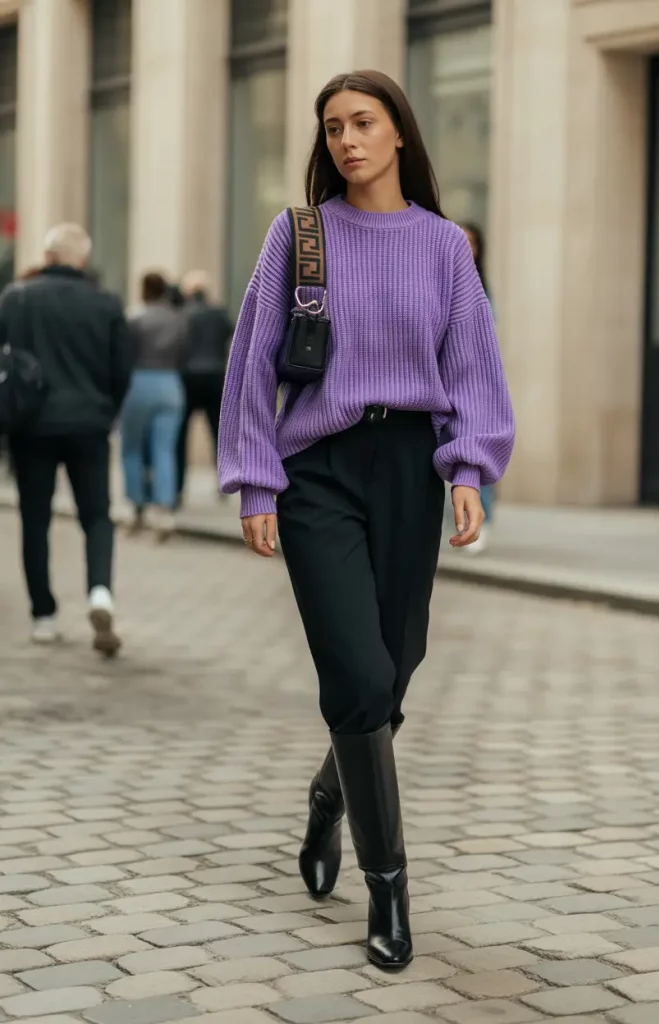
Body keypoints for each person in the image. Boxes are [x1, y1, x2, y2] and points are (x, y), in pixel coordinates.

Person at [217, 70, 514, 969]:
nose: (345, 139)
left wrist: (468, 468)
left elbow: (471, 365)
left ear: (397, 134)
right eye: (332, 127)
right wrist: (256, 481)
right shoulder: (297, 235)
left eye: (362, 123)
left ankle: (330, 792)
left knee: (393, 668)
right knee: (354, 666)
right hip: (320, 471)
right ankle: (388, 890)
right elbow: (251, 358)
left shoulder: (442, 247)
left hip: (408, 471)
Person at [0, 223, 132, 652]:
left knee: (35, 519)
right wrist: (106, 411)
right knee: (96, 514)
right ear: (83, 259)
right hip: (89, 423)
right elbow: (121, 370)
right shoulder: (105, 302)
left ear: (47, 255)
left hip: (31, 425)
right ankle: (100, 592)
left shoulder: (16, 297)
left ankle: (44, 615)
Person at [120, 272, 187, 540]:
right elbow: (185, 354)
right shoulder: (179, 319)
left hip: (139, 381)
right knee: (165, 449)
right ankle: (164, 511)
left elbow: (124, 354)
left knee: (132, 449)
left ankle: (136, 507)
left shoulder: (135, 318)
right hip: (171, 383)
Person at [176, 270, 233, 507]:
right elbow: (230, 335)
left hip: (187, 377)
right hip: (215, 377)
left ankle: (177, 487)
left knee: (179, 436)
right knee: (217, 433)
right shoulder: (219, 314)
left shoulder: (181, 314)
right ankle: (224, 482)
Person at [460, 221, 495, 553]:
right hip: (445, 382)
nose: (466, 245)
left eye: (471, 240)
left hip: (475, 381)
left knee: (475, 455)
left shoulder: (481, 288)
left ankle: (478, 522)